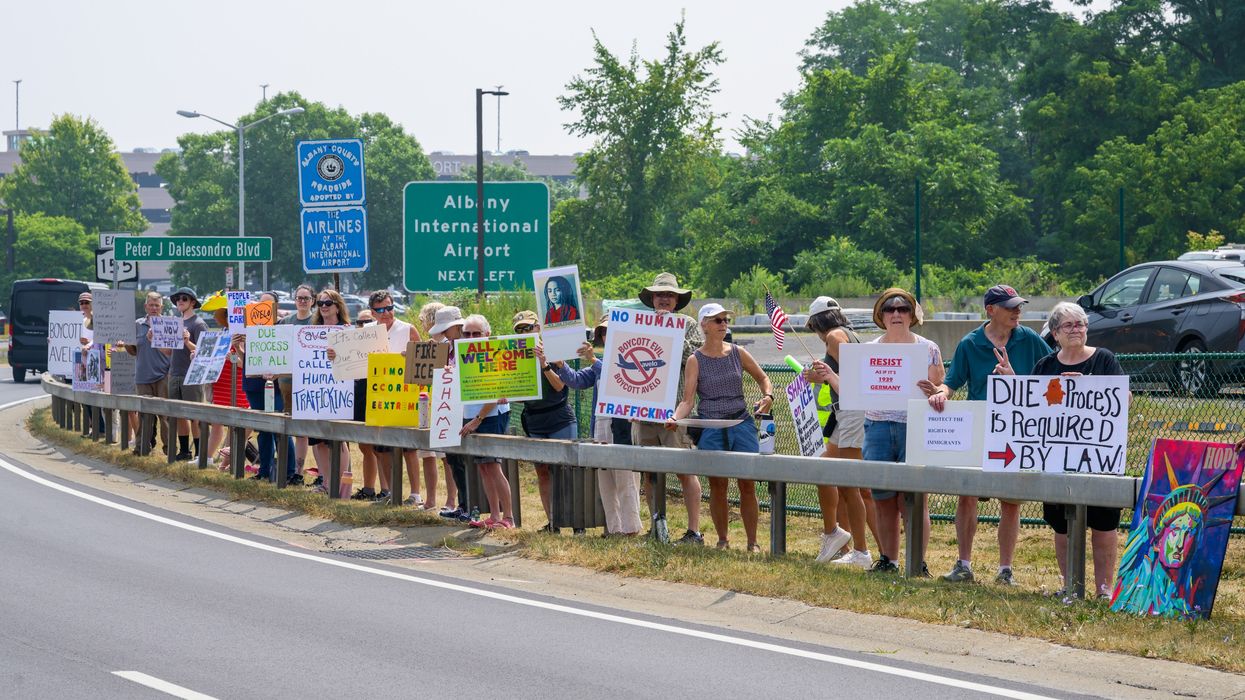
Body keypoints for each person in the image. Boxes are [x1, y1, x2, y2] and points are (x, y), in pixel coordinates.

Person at [923, 284, 1053, 586]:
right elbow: (952, 382)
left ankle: (1005, 569)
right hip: (978, 427)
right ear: (990, 310)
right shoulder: (970, 344)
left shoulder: (1029, 339)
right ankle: (964, 564)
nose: (1017, 311)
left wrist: (1017, 380)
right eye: (1010, 307)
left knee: (1010, 501)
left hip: (1015, 428)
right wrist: (940, 395)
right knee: (966, 494)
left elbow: (1051, 373)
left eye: (1019, 306)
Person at [1035, 301, 1126, 599]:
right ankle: (1069, 585)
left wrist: (1089, 387)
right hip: (1058, 459)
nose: (1077, 330)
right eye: (1069, 326)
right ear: (1055, 333)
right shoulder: (1046, 366)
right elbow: (1032, 408)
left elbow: (1123, 401)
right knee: (1062, 527)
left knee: (1104, 524)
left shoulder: (1105, 360)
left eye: (1081, 325)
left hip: (1099, 457)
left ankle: (1103, 589)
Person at [667, 304, 774, 551]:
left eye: (725, 320)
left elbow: (763, 378)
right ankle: (723, 540)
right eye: (717, 320)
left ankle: (752, 542)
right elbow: (687, 400)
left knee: (747, 484)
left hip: (741, 422)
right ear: (704, 325)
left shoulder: (738, 352)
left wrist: (767, 396)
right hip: (711, 426)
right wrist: (674, 418)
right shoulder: (695, 360)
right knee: (717, 485)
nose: (723, 324)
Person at [860, 288, 943, 575]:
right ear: (881, 316)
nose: (896, 313)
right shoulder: (868, 350)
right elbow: (855, 390)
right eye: (890, 309)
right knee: (882, 498)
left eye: (903, 308)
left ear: (912, 315)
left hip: (915, 425)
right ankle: (888, 560)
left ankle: (917, 563)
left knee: (914, 500)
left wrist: (936, 392)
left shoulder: (929, 348)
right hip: (877, 427)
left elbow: (940, 388)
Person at [553, 316, 643, 536]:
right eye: (603, 332)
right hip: (600, 425)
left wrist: (593, 360)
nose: (607, 336)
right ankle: (614, 529)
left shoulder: (633, 361)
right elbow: (575, 380)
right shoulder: (598, 364)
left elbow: (616, 375)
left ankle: (631, 528)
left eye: (611, 331)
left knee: (625, 478)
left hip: (622, 426)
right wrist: (560, 364)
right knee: (605, 481)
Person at [802, 296, 875, 568]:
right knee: (825, 471)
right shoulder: (848, 333)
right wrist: (820, 375)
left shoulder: (834, 337)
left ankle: (861, 551)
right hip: (847, 411)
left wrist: (827, 376)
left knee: (848, 483)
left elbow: (854, 376)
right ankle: (833, 532)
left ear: (816, 323)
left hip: (852, 411)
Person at [634, 272, 705, 545]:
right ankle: (656, 529)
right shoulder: (638, 324)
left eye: (669, 295)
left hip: (676, 409)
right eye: (659, 294)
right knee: (650, 473)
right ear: (652, 298)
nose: (664, 299)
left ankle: (694, 531)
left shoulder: (687, 324)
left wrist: (669, 332)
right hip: (643, 410)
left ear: (676, 301)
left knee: (684, 469)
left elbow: (694, 359)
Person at [517, 310, 579, 531]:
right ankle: (553, 522)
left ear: (538, 328)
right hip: (534, 420)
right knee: (542, 471)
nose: (525, 332)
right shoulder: (515, 356)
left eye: (529, 327)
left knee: (566, 472)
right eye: (520, 329)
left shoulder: (553, 351)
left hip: (560, 418)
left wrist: (544, 364)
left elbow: (559, 386)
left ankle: (576, 522)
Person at [367, 290, 424, 506]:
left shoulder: (407, 330)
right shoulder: (367, 332)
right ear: (373, 312)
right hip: (379, 396)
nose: (387, 313)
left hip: (405, 395)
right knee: (381, 448)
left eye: (390, 308)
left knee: (409, 448)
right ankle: (390, 491)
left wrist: (410, 357)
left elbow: (422, 360)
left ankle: (415, 494)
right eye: (381, 309)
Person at [459, 314, 515, 529]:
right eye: (467, 333)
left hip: (491, 415)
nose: (471, 337)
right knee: (483, 467)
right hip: (471, 414)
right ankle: (494, 515)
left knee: (493, 465)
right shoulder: (465, 355)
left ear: (487, 334)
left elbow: (496, 392)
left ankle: (508, 517)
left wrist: (477, 419)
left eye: (476, 333)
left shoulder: (496, 353)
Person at [239, 291, 298, 483]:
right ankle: (265, 470)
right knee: (262, 429)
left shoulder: (282, 327)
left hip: (276, 384)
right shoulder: (248, 327)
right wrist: (239, 348)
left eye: (268, 305)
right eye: (260, 304)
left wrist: (277, 372)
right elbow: (246, 360)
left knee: (279, 427)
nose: (263, 309)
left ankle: (289, 471)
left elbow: (287, 357)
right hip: (254, 383)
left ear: (275, 307)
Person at [154, 286, 208, 461]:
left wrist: (187, 341)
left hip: (192, 375)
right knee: (177, 415)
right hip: (175, 374)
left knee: (195, 416)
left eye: (184, 298)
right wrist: (153, 341)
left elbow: (205, 351)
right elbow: (170, 352)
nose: (180, 301)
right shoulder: (176, 323)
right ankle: (185, 451)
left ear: (192, 302)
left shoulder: (198, 324)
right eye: (177, 299)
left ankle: (200, 453)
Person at [311, 288, 357, 494]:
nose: (323, 307)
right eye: (319, 303)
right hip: (315, 389)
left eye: (327, 303)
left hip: (339, 391)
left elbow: (355, 359)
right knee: (318, 440)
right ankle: (327, 483)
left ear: (337, 306)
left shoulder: (346, 330)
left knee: (337, 439)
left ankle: (340, 484)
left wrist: (338, 354)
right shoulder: (312, 331)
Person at [428, 306, 471, 520]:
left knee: (469, 461)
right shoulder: (449, 349)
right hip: (452, 410)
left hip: (469, 410)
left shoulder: (470, 346)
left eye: (447, 329)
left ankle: (471, 506)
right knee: (454, 459)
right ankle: (463, 505)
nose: (444, 334)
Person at [117, 291, 170, 455]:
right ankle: (141, 448)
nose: (154, 308)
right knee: (144, 415)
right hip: (143, 376)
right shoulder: (137, 325)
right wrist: (125, 344)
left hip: (163, 375)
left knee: (165, 416)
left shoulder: (168, 324)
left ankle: (169, 449)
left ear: (162, 307)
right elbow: (133, 351)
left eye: (157, 305)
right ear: (145, 306)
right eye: (151, 305)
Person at [416, 302, 451, 512]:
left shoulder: (450, 345)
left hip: (444, 404)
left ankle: (451, 501)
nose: (421, 324)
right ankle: (430, 500)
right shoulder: (428, 345)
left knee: (446, 456)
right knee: (427, 454)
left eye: (423, 320)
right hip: (425, 402)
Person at [278, 284, 315, 482]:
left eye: (306, 298)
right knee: (286, 427)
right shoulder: (285, 322)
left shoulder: (316, 321)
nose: (302, 301)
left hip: (309, 383)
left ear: (312, 301)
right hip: (285, 382)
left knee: (303, 431)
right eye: (299, 298)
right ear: (295, 300)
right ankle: (286, 469)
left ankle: (299, 474)